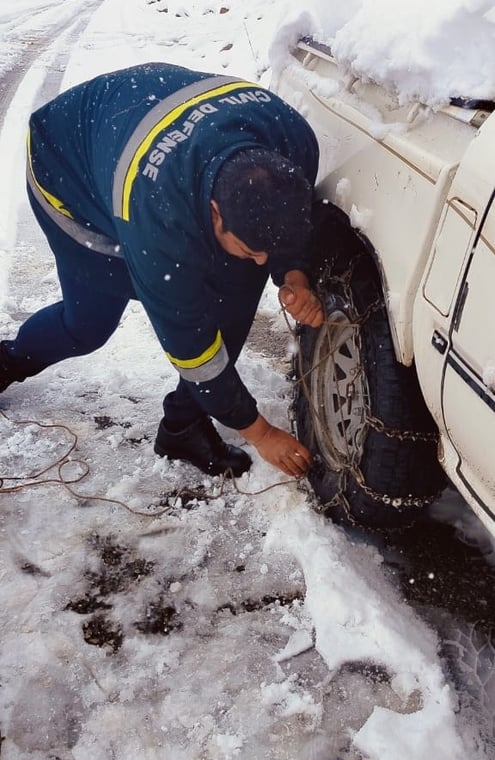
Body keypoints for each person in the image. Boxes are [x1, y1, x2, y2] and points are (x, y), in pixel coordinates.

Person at [0, 62, 324, 479]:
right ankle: (8, 361)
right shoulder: (158, 220)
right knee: (89, 323)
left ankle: (183, 427)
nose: (264, 261)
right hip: (67, 164)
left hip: (145, 118)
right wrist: (259, 432)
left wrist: (293, 273)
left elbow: (290, 225)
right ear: (214, 212)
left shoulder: (294, 140)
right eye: (251, 248)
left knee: (238, 285)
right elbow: (190, 346)